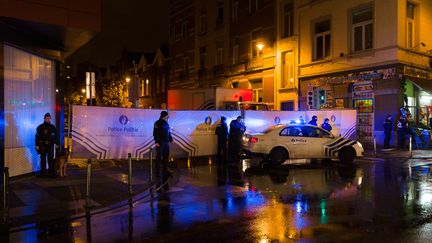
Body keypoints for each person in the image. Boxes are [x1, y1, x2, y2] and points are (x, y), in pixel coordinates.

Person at [153, 111, 173, 191]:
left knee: (166, 158)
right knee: (159, 158)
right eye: (167, 116)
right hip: (160, 143)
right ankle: (157, 172)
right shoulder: (157, 123)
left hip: (166, 142)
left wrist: (170, 139)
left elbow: (168, 132)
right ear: (164, 116)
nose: (167, 117)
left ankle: (165, 171)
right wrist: (156, 142)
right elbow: (155, 133)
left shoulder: (166, 123)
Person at [35, 113, 58, 177]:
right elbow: (37, 136)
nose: (48, 119)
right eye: (46, 118)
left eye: (49, 118)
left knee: (50, 159)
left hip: (50, 145)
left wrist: (57, 143)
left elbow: (56, 136)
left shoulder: (53, 127)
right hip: (43, 145)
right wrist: (37, 145)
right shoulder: (40, 127)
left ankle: (51, 173)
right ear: (44, 118)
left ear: (50, 118)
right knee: (43, 159)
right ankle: (43, 173)